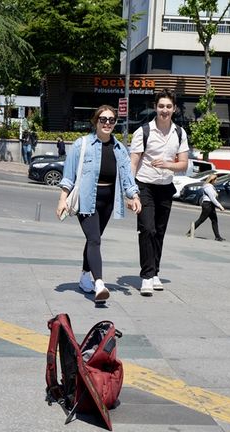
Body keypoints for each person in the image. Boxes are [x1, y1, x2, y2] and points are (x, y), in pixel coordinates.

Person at [57, 105, 141, 304]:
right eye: (103, 119)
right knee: (95, 239)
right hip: (87, 199)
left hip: (108, 200)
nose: (107, 123)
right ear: (95, 121)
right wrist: (62, 199)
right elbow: (69, 176)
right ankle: (100, 283)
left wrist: (134, 196)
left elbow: (128, 178)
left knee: (93, 239)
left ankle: (85, 276)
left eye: (112, 120)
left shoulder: (120, 149)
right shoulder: (81, 144)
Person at [129, 89, 189, 296]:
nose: (164, 110)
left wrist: (167, 165)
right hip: (144, 186)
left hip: (165, 188)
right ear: (155, 107)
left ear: (174, 109)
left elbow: (183, 165)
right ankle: (146, 276)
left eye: (168, 107)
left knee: (159, 232)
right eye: (161, 106)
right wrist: (131, 193)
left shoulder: (180, 133)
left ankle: (155, 272)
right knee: (147, 229)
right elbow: (133, 164)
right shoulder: (143, 132)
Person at [186, 173, 225, 241]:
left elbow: (213, 196)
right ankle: (189, 232)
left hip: (210, 205)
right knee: (201, 220)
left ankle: (217, 236)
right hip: (208, 205)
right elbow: (212, 198)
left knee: (214, 220)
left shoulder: (210, 186)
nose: (216, 180)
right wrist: (220, 206)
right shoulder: (208, 187)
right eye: (215, 179)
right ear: (212, 180)